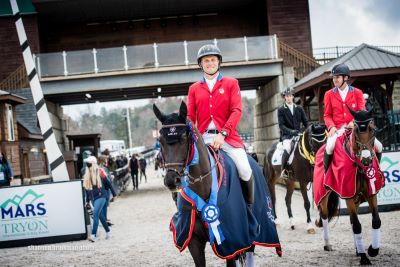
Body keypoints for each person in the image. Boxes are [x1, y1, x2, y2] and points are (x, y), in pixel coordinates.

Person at [187, 44, 254, 206]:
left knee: (245, 170)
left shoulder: (231, 83)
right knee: (184, 170)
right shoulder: (194, 89)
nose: (210, 63)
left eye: (213, 60)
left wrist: (223, 134)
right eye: (206, 61)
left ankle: (249, 207)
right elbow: (189, 116)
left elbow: (236, 111)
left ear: (218, 62)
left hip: (227, 137)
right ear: (200, 64)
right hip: (202, 137)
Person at [323, 63, 382, 172]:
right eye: (334, 77)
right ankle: (327, 174)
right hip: (338, 130)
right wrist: (331, 127)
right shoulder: (328, 94)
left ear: (345, 78)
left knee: (379, 146)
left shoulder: (357, 92)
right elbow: (327, 115)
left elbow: (362, 111)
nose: (334, 80)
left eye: (337, 77)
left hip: (357, 128)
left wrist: (353, 122)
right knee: (329, 147)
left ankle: (377, 172)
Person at [83, 156, 116, 242]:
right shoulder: (87, 174)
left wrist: (114, 194)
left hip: (102, 196)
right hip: (94, 198)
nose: (87, 165)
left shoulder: (100, 171)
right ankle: (108, 233)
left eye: (89, 163)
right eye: (87, 163)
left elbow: (108, 183)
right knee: (101, 217)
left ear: (93, 163)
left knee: (95, 214)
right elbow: (87, 190)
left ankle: (93, 235)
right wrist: (87, 201)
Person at [277, 87, 308, 178]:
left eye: (290, 96)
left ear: (293, 96)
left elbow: (306, 122)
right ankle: (284, 170)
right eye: (287, 96)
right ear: (285, 97)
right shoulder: (281, 109)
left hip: (299, 134)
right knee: (288, 147)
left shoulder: (299, 108)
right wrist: (291, 132)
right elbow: (281, 126)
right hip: (287, 136)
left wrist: (309, 130)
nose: (289, 98)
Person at [98, 155, 117, 226]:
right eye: (106, 159)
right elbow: (107, 179)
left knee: (104, 205)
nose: (107, 160)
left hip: (103, 188)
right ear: (103, 160)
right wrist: (111, 178)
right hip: (105, 188)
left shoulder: (101, 167)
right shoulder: (103, 168)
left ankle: (105, 218)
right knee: (104, 205)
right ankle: (104, 219)